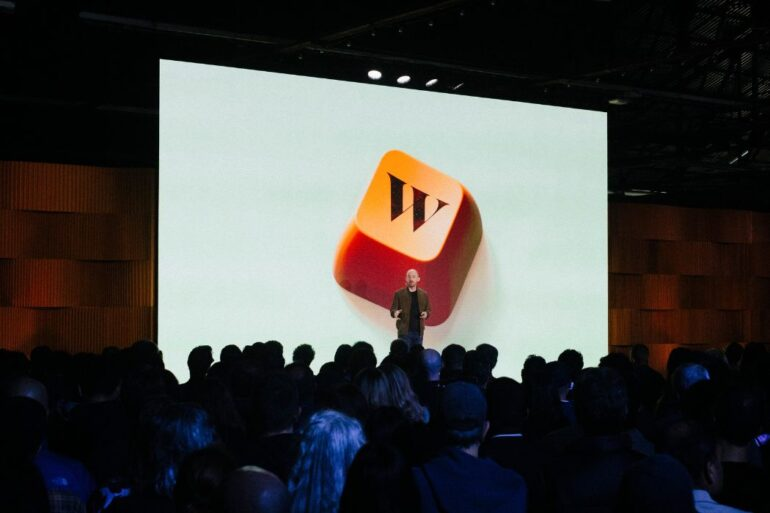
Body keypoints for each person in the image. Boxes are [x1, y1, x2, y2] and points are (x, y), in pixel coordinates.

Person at [390, 269, 430, 347]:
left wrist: (426, 314)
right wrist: (395, 313)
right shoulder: (399, 294)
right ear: (406, 278)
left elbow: (428, 310)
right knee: (404, 353)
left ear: (418, 279)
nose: (411, 279)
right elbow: (393, 310)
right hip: (404, 332)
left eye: (413, 277)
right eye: (409, 277)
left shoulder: (424, 294)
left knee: (417, 354)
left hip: (418, 333)